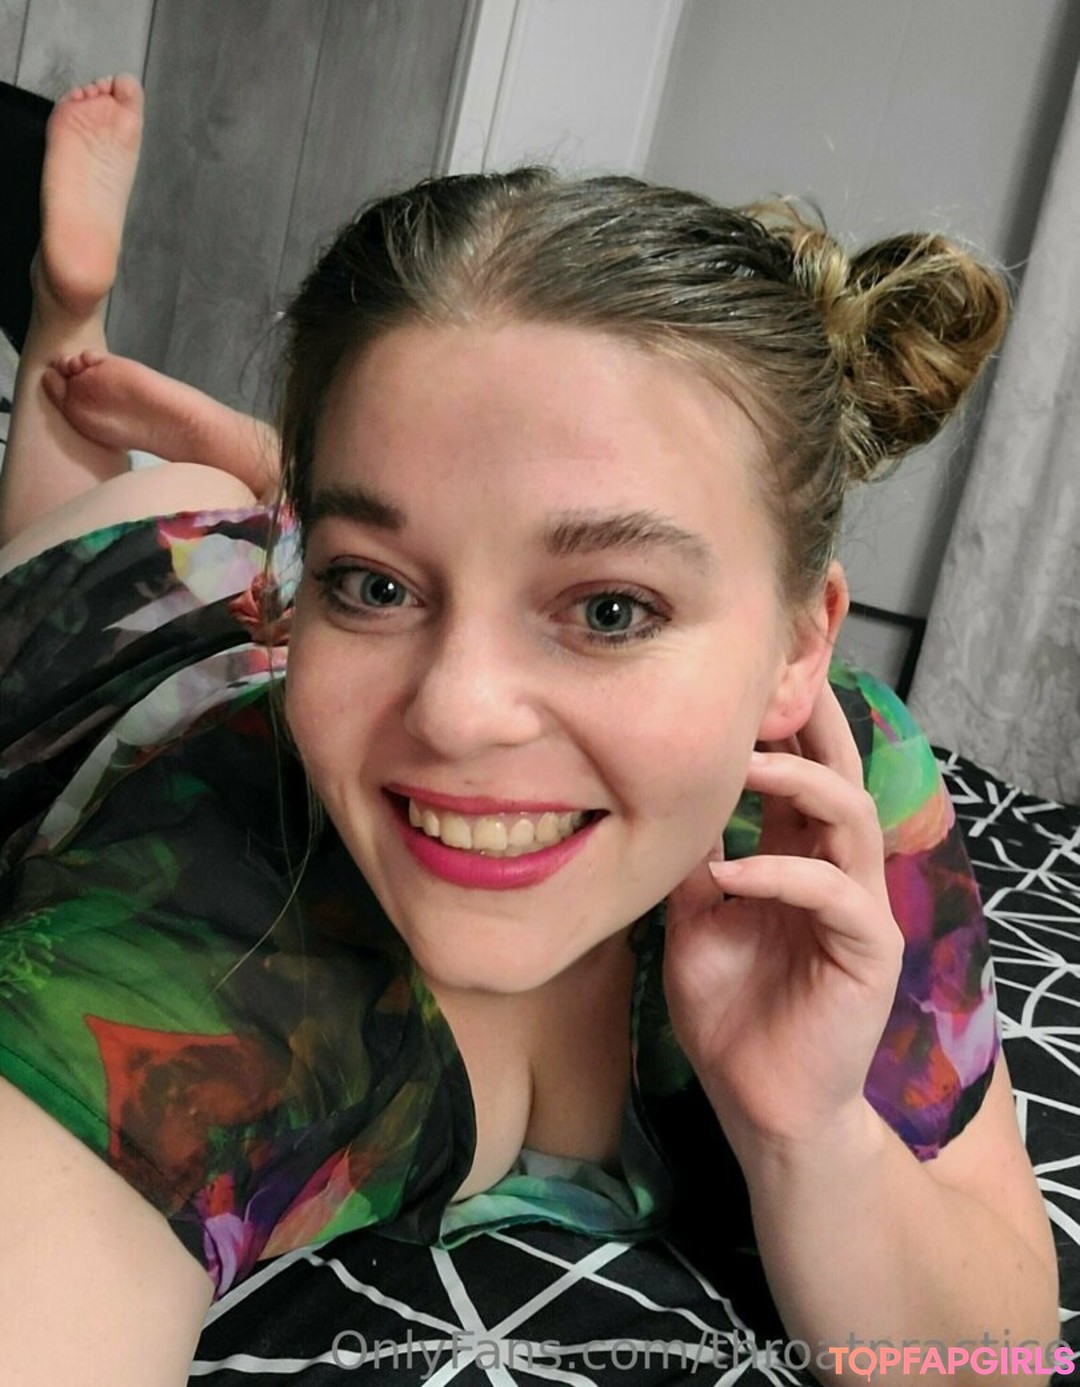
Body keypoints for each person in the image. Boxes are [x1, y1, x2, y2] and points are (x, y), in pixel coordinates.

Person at [0, 75, 1060, 1386]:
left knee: (303, 506)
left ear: (799, 648)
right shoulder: (190, 941)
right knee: (65, 533)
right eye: (373, 583)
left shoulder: (836, 793)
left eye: (611, 609)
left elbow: (1001, 1360)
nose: (457, 712)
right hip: (131, 626)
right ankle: (72, 326)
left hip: (268, 584)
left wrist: (813, 1134)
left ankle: (286, 497)